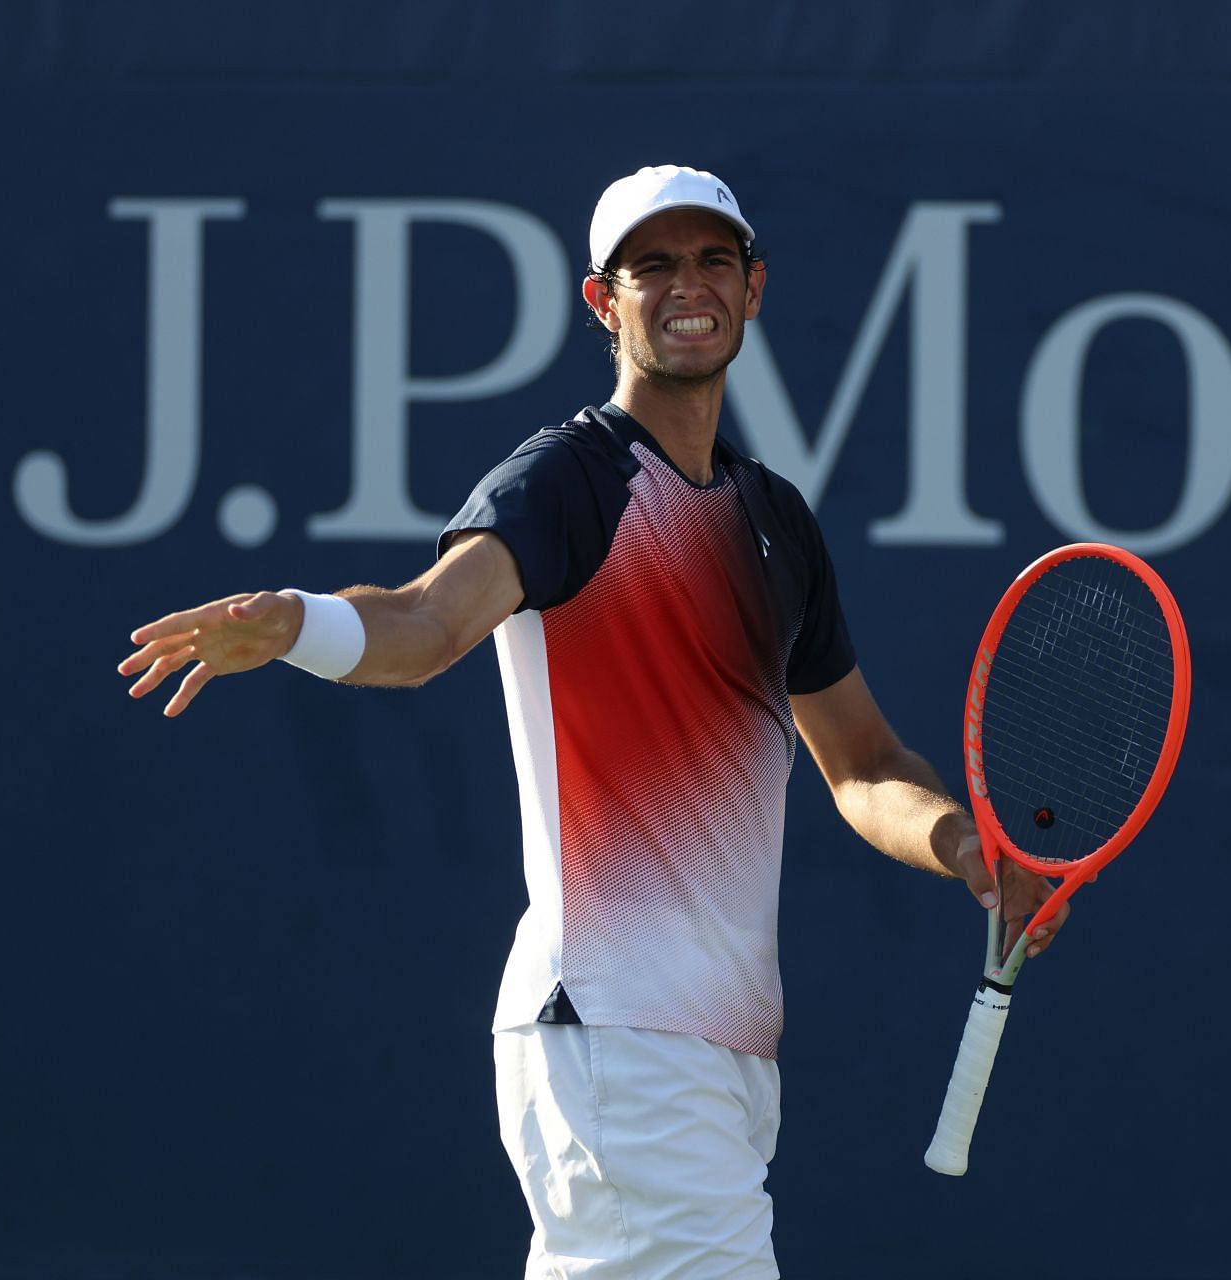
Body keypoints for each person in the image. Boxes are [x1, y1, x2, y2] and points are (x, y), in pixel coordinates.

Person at [118, 164, 1065, 1279]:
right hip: (620, 1038)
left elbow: (860, 762)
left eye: (713, 260)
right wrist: (296, 622)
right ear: (602, 302)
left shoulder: (776, 522)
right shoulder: (568, 482)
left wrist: (966, 847)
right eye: (651, 266)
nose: (687, 286)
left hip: (715, 1055)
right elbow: (425, 626)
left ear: (754, 287)